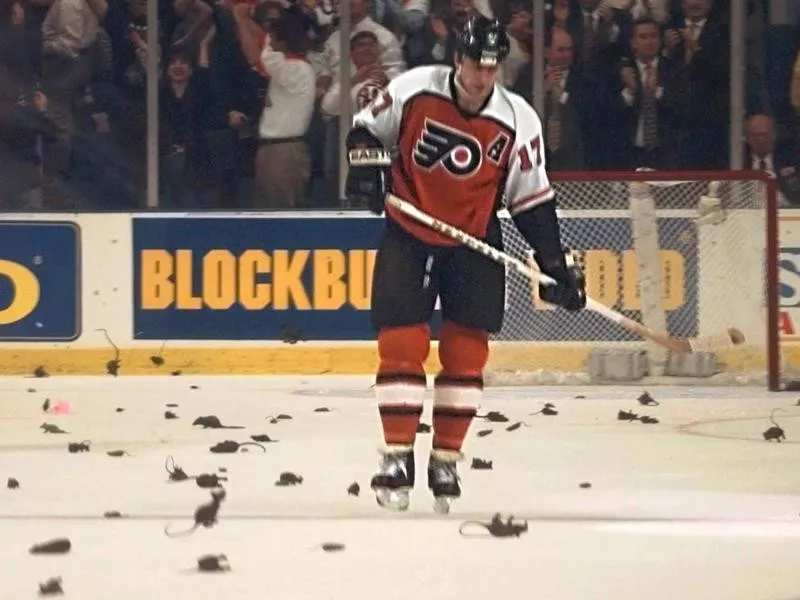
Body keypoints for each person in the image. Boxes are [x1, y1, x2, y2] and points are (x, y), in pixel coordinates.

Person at [345, 15, 587, 513]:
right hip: (410, 233)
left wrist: (554, 264)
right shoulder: (414, 88)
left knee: (466, 353)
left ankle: (446, 458)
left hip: (474, 240)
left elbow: (532, 201)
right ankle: (396, 456)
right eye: (476, 65)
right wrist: (367, 169)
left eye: (492, 68)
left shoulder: (519, 119)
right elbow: (365, 131)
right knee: (401, 342)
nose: (482, 78)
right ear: (458, 59)